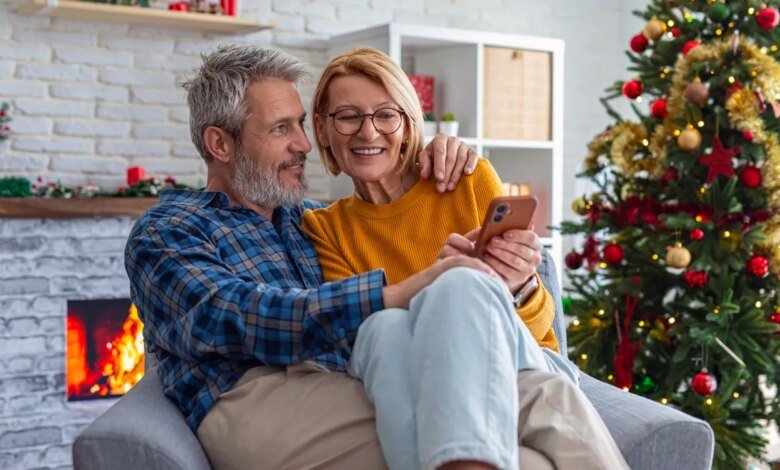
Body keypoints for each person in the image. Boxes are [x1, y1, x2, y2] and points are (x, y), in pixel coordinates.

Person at [124, 43, 494, 470]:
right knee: (479, 435)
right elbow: (228, 315)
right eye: (280, 129)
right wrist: (389, 296)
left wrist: (423, 159)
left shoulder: (316, 221)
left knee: (530, 411)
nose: (303, 144)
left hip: (349, 381)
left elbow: (397, 234)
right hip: (255, 396)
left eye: (300, 124)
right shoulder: (169, 230)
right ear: (220, 143)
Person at [302, 47, 629, 470]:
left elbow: (536, 331)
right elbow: (354, 333)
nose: (368, 132)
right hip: (410, 362)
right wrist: (436, 279)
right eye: (348, 116)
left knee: (459, 286)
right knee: (382, 328)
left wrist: (517, 285)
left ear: (408, 123)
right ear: (323, 128)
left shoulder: (464, 180)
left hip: (516, 355)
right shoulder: (325, 226)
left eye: (385, 115)